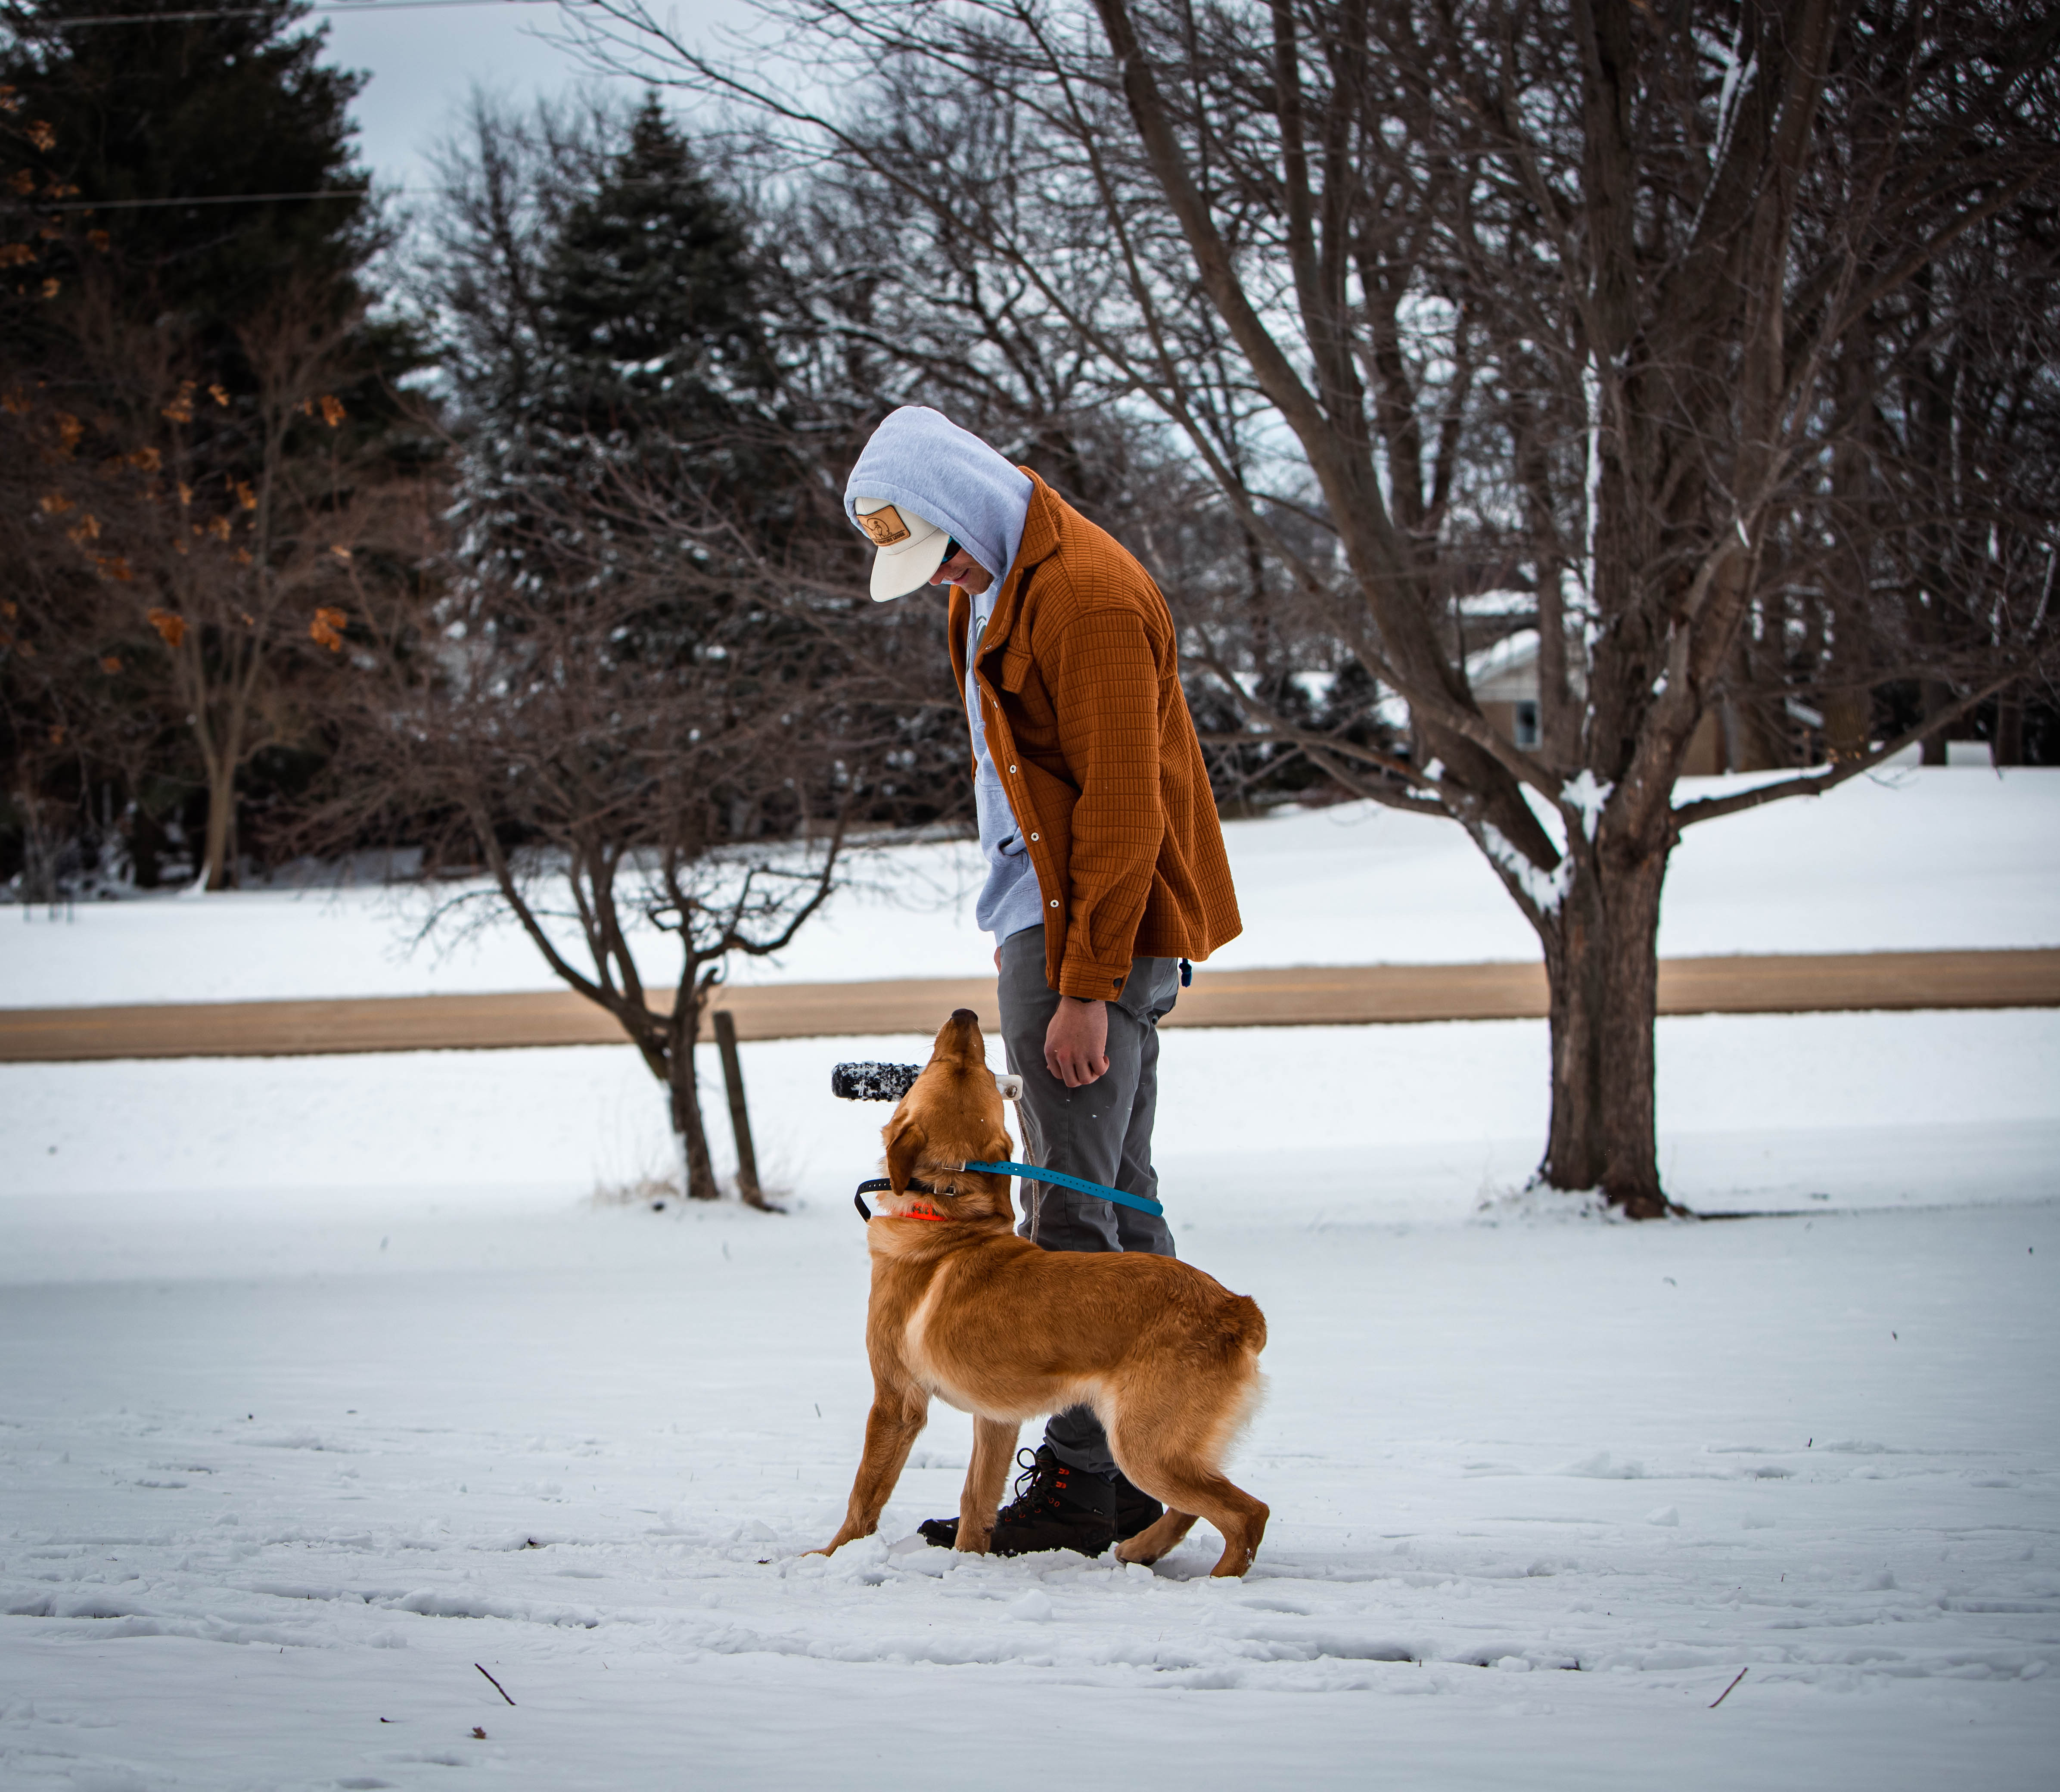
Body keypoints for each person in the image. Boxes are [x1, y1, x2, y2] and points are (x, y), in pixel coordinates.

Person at [844, 405, 1241, 1556]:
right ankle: (1141, 1458)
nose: (941, 581)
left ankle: (1079, 1485)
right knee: (1116, 1192)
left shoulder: (1087, 600)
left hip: (1088, 931)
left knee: (1069, 1207)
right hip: (1049, 913)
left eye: (943, 555)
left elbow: (1122, 811)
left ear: (966, 506)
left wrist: (1082, 988)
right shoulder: (989, 580)